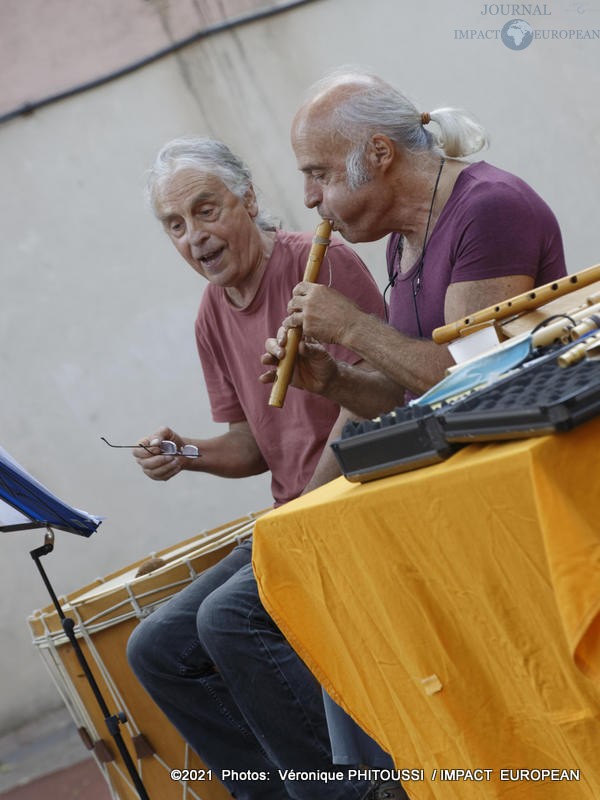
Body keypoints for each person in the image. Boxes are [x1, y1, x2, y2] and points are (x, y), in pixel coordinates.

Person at [260, 65, 566, 779]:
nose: (309, 199)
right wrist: (332, 377)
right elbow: (411, 398)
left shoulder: (490, 209)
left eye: (318, 174)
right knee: (280, 578)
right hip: (445, 486)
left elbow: (472, 386)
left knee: (276, 596)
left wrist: (354, 330)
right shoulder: (403, 242)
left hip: (506, 492)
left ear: (379, 154)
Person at [125, 136, 393, 800]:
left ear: (246, 199)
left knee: (227, 619)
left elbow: (377, 397)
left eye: (206, 210)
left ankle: (351, 792)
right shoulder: (211, 315)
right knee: (155, 647)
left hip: (357, 499)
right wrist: (183, 454)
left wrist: (306, 508)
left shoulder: (317, 264)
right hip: (292, 519)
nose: (195, 237)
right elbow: (250, 446)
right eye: (175, 226)